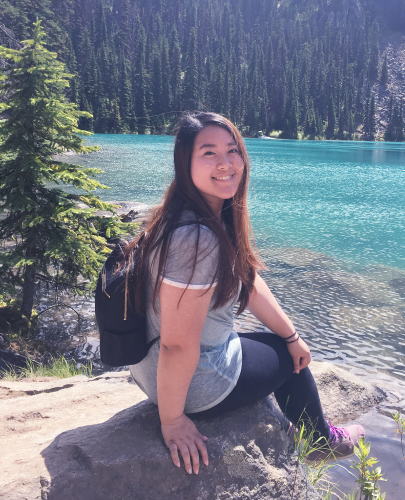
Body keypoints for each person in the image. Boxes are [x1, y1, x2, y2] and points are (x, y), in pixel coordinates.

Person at [127, 112, 364, 475]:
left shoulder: (188, 214)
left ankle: (291, 422)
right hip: (192, 385)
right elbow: (178, 344)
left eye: (232, 150)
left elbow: (248, 280)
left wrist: (292, 333)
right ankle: (323, 442)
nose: (225, 163)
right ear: (184, 161)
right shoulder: (196, 239)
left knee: (280, 344)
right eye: (209, 153)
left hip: (149, 369)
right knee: (289, 362)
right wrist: (172, 421)